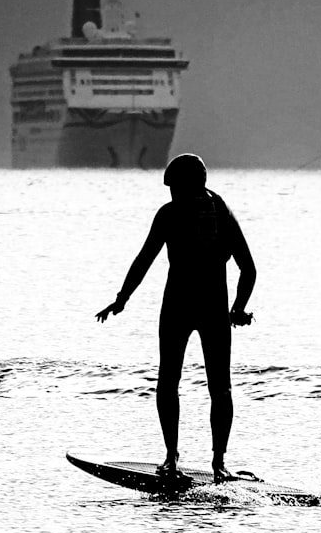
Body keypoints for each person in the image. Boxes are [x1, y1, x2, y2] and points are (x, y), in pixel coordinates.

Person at [96, 153, 256, 484]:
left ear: (182, 186)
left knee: (168, 382)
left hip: (178, 307)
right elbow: (249, 269)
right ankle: (219, 465)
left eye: (173, 188)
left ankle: (171, 459)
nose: (171, 194)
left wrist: (122, 299)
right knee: (220, 388)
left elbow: (144, 259)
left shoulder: (169, 214)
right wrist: (238, 308)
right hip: (214, 308)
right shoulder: (222, 213)